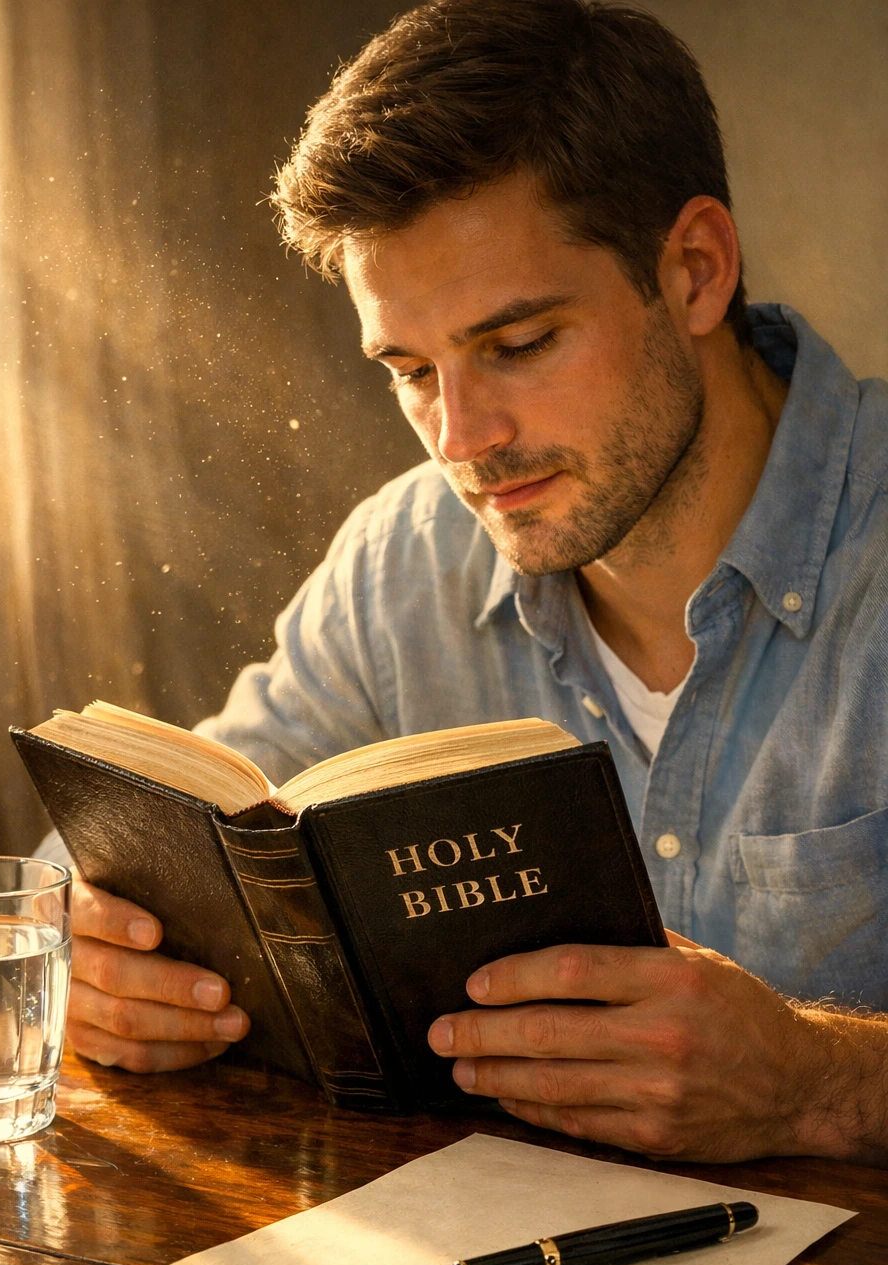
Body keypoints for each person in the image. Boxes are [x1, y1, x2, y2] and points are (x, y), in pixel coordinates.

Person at [45, 0, 888, 1165]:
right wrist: (94, 957)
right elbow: (151, 846)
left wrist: (819, 1084)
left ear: (694, 270)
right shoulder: (404, 561)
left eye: (520, 344)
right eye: (410, 369)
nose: (461, 437)